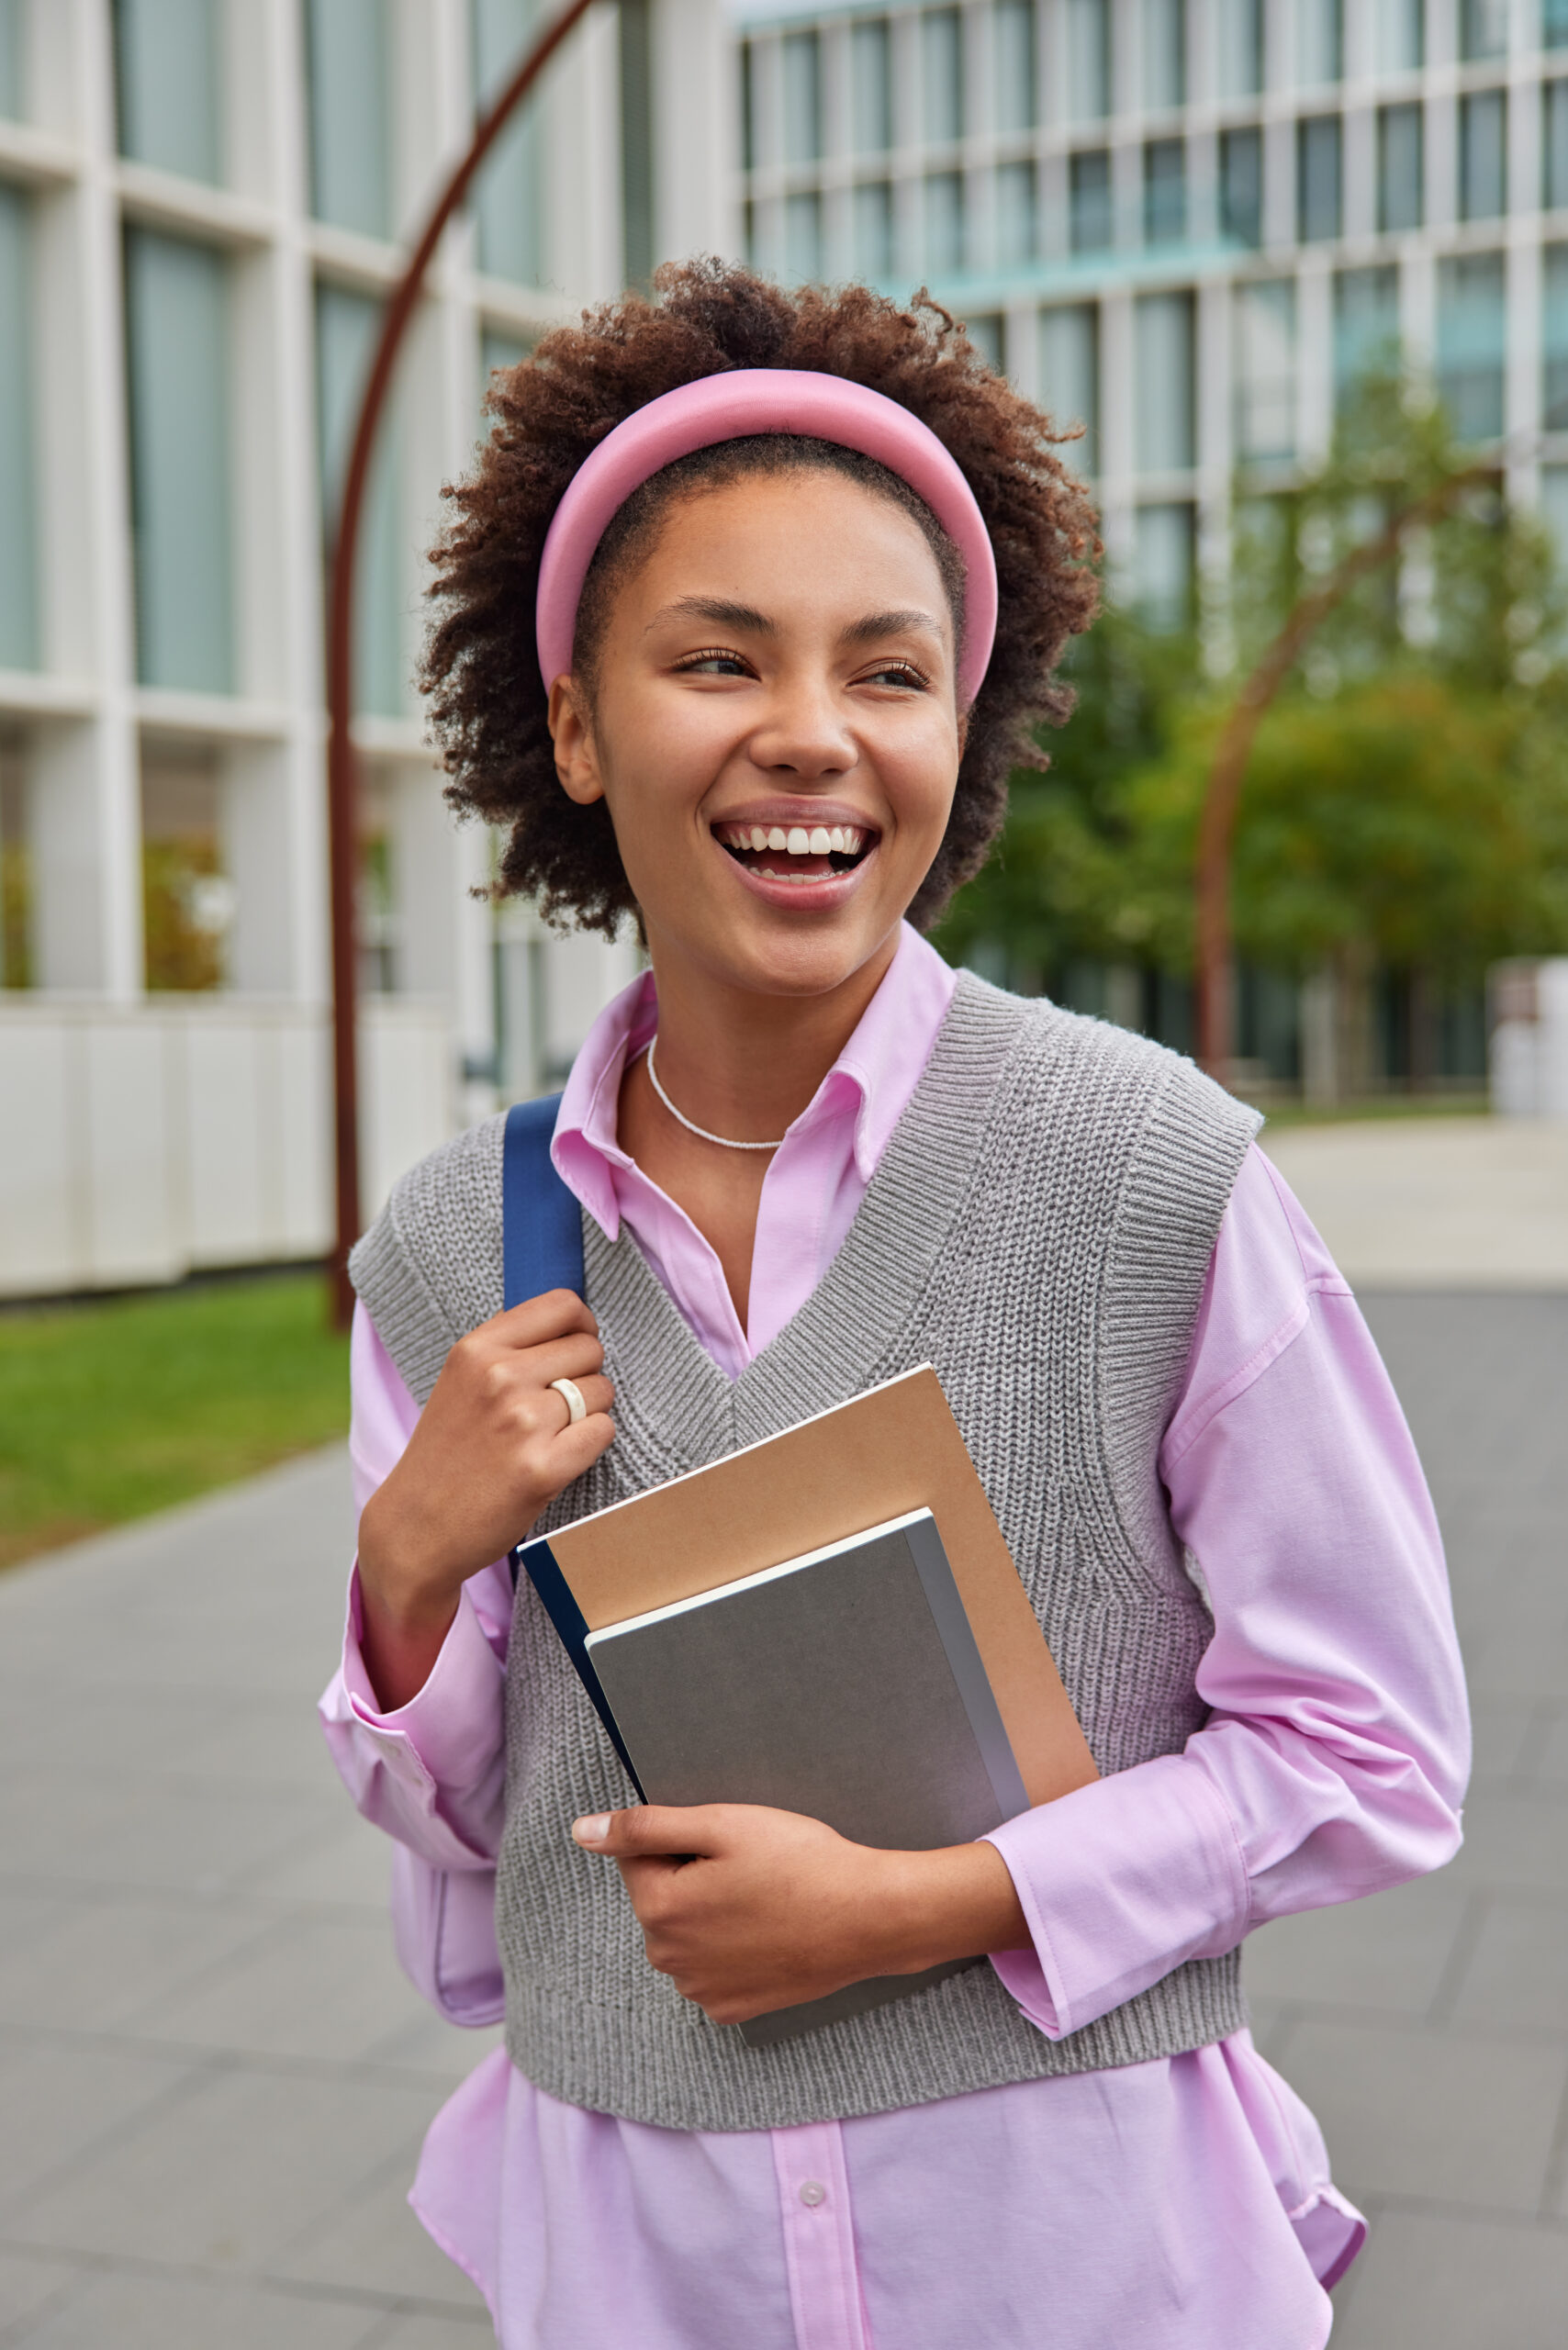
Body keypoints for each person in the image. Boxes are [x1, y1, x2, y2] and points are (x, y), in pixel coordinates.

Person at [320, 261, 1469, 2350]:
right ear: (573, 721)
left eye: (885, 668)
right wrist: (403, 1575)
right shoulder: (442, 1251)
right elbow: (478, 1851)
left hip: (1083, 2251)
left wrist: (929, 1904)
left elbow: (1369, 1740)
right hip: (633, 2264)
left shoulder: (1149, 1175)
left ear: (959, 721)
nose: (807, 736)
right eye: (715, 657)